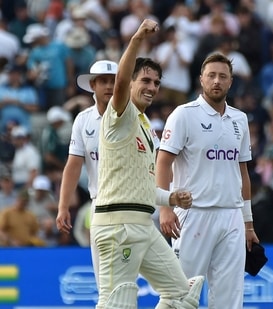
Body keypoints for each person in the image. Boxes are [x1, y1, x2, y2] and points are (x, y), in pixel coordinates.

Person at [88, 19, 203, 309]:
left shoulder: (144, 124)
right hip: (118, 225)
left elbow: (143, 186)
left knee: (182, 295)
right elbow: (123, 80)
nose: (152, 87)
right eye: (146, 81)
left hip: (142, 224)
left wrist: (171, 197)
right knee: (118, 303)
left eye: (156, 83)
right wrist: (138, 38)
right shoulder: (121, 115)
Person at [156, 52, 258, 308]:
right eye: (211, 75)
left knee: (229, 297)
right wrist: (165, 208)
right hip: (193, 214)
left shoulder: (240, 119)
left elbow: (242, 172)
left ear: (231, 82)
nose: (216, 81)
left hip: (231, 214)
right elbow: (163, 162)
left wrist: (248, 223)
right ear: (201, 79)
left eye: (223, 76)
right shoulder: (184, 114)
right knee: (179, 293)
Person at [56, 59, 118, 277]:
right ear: (93, 85)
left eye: (114, 81)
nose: (109, 86)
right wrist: (63, 206)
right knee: (103, 279)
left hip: (133, 205)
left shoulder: (136, 116)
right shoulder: (83, 120)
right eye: (104, 81)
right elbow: (73, 166)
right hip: (99, 205)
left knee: (127, 278)